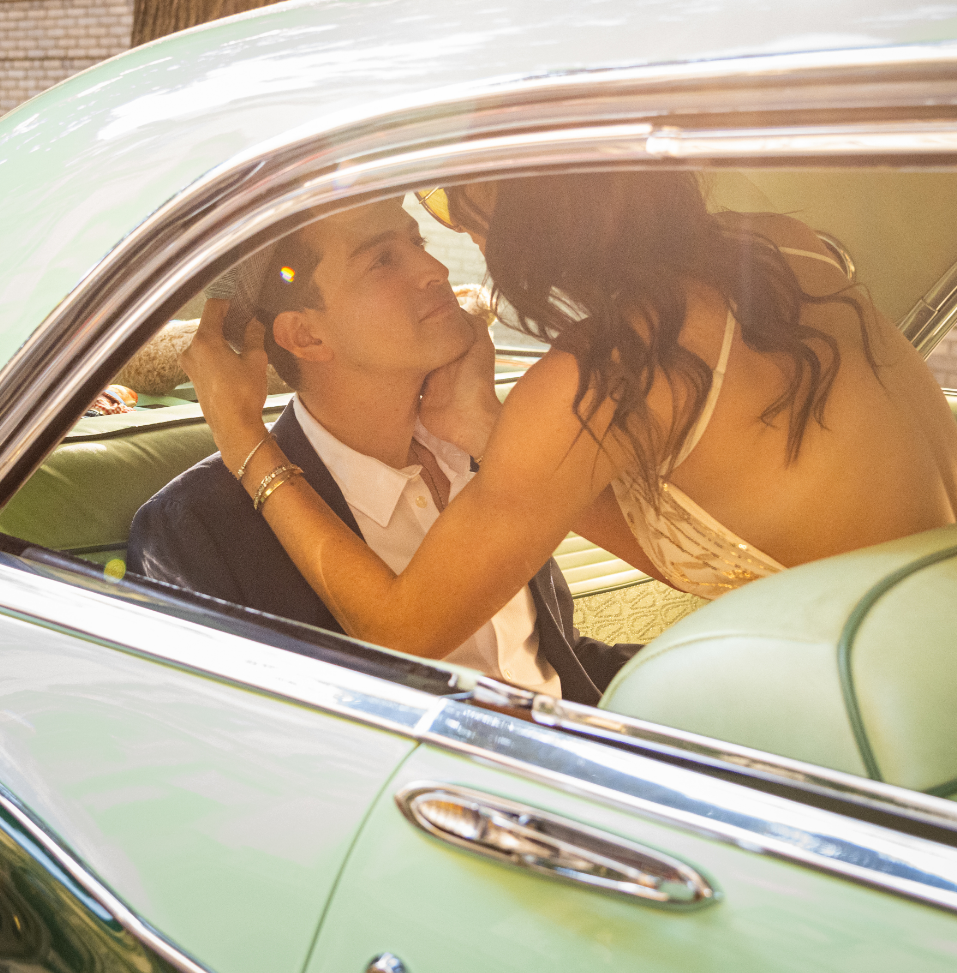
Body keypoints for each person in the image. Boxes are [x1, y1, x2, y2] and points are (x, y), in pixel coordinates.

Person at [182, 171, 957, 665]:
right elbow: (750, 551)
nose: (449, 236)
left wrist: (241, 434)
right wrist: (490, 431)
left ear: (533, 206)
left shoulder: (606, 374)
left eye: (448, 202)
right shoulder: (783, 249)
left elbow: (401, 631)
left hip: (875, 711)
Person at [129, 196, 637, 705]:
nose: (435, 268)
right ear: (306, 334)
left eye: (416, 242)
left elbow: (551, 663)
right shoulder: (198, 526)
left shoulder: (487, 451)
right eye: (382, 260)